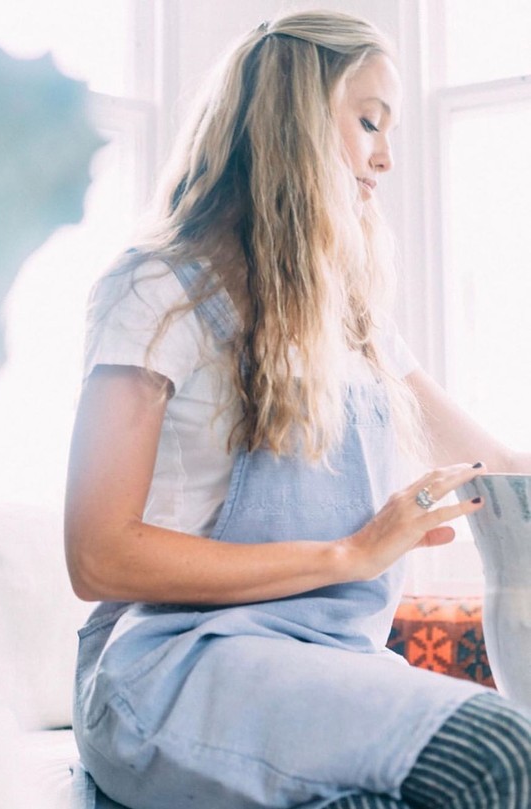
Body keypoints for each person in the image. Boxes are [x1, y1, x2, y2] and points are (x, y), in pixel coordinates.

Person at [64, 10, 531, 809]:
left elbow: (497, 465)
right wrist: (349, 554)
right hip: (171, 667)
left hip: (324, 664)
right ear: (298, 124)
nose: (386, 156)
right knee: (499, 751)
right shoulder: (156, 291)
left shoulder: (355, 322)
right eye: (368, 122)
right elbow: (97, 557)